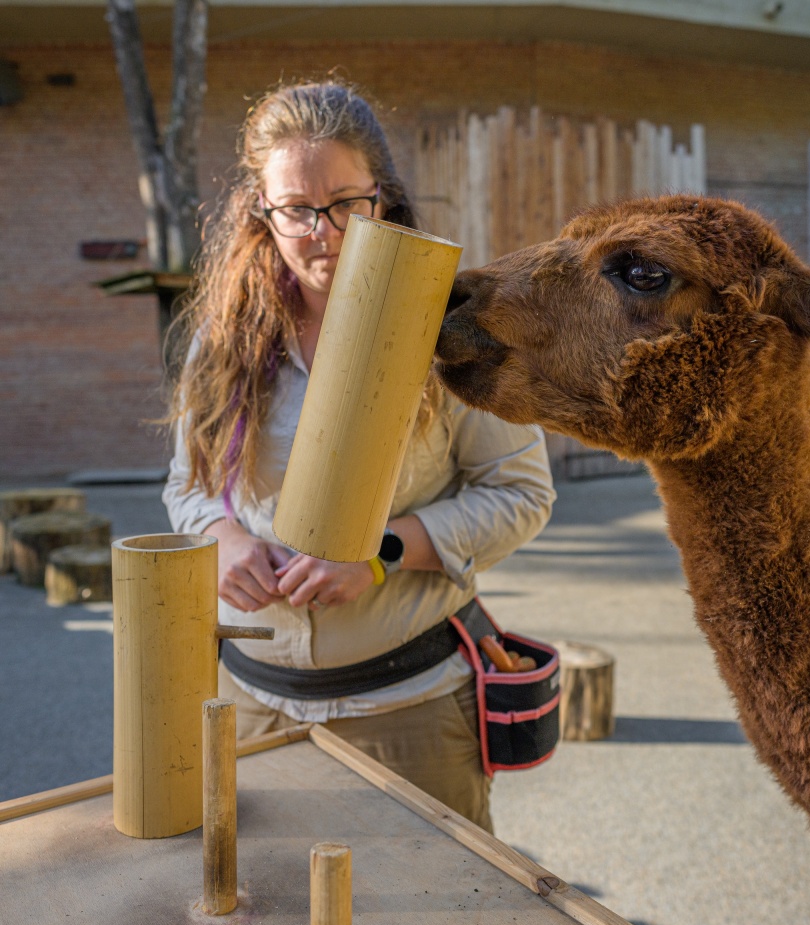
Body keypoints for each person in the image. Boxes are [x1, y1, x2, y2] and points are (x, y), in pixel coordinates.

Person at [163, 80, 555, 832]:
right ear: (262, 211)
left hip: (405, 712)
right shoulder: (225, 342)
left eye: (346, 202)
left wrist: (375, 553)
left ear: (383, 197)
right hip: (251, 709)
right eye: (298, 210)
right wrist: (220, 538)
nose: (326, 231)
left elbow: (521, 492)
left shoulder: (450, 336)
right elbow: (187, 485)